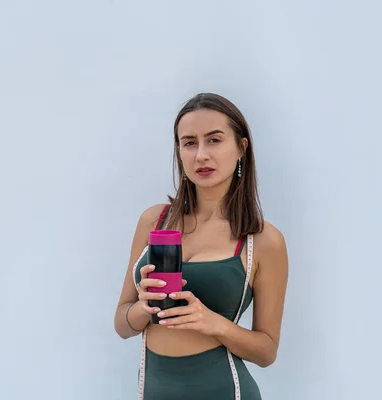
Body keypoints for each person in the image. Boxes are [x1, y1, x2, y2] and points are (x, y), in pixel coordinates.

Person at [113, 92, 289, 400]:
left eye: (215, 140)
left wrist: (215, 324)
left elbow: (266, 351)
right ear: (179, 151)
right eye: (189, 142)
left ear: (241, 148)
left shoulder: (261, 240)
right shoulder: (154, 221)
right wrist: (143, 309)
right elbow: (122, 324)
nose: (201, 155)